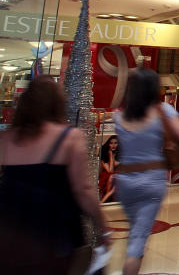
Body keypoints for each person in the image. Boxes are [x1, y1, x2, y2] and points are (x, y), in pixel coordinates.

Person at [0, 75, 111, 275]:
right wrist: (102, 226)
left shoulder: (7, 138)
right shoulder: (69, 138)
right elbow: (83, 191)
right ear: (58, 103)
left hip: (12, 238)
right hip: (56, 236)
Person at [113, 68, 179, 275]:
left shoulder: (120, 117)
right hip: (151, 181)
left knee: (135, 230)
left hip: (124, 181)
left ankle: (134, 255)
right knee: (138, 239)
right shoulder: (163, 111)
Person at [98, 134, 119, 203]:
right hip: (106, 177)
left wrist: (112, 157)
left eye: (115, 143)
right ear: (108, 144)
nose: (113, 145)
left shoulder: (120, 155)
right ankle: (105, 200)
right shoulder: (104, 155)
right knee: (111, 177)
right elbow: (110, 170)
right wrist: (110, 156)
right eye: (111, 143)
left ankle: (104, 201)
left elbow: (113, 170)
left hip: (118, 176)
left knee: (113, 178)